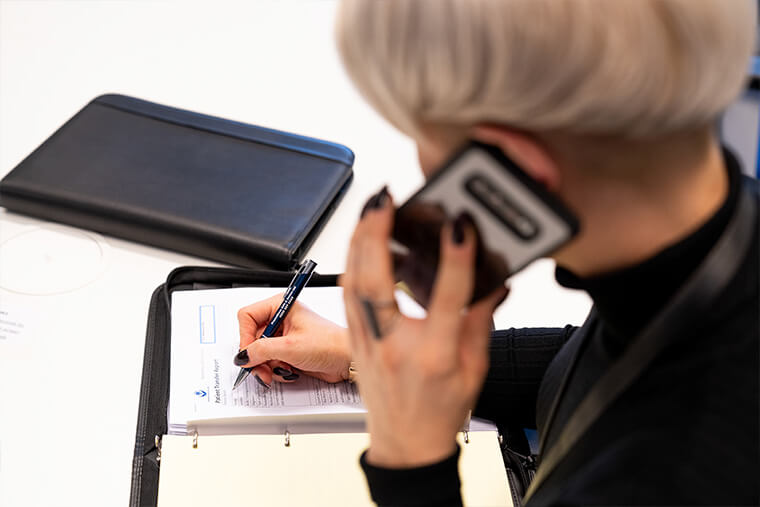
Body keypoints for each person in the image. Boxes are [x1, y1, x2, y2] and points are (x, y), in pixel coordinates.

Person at [232, 0, 760, 504]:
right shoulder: (708, 245)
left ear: (509, 172)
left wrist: (411, 466)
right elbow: (603, 359)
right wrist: (360, 359)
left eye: (421, 134)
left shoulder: (673, 474)